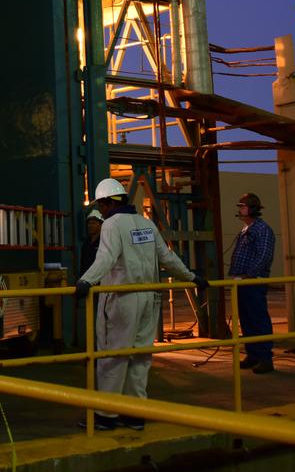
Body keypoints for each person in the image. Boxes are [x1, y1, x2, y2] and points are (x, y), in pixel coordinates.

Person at [75, 178, 208, 431]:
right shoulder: (146, 224)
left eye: (99, 206)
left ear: (105, 203)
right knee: (140, 357)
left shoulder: (112, 225)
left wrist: (85, 281)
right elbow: (167, 258)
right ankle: (134, 414)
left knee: (112, 356)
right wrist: (192, 277)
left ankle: (106, 415)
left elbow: (105, 258)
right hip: (150, 298)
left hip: (122, 300)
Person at [229, 192, 276, 374]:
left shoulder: (262, 230)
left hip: (253, 282)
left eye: (242, 206)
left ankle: (265, 358)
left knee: (257, 318)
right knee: (247, 319)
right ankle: (253, 354)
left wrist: (249, 275)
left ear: (252, 209)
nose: (240, 210)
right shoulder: (247, 229)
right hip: (242, 281)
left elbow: (264, 256)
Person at [79, 208, 104, 276]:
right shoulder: (86, 244)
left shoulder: (104, 243)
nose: (90, 226)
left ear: (101, 225)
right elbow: (83, 265)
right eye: (89, 223)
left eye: (93, 223)